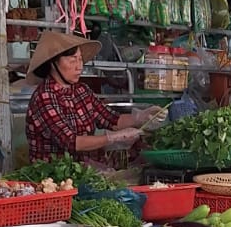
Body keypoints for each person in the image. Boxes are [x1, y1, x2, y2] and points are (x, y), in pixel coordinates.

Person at [25, 30, 160, 162]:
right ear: (53, 64)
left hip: (88, 167)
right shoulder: (44, 97)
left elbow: (111, 119)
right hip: (54, 173)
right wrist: (113, 138)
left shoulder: (82, 91)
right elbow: (71, 142)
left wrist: (141, 117)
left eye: (80, 59)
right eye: (72, 60)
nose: (79, 67)